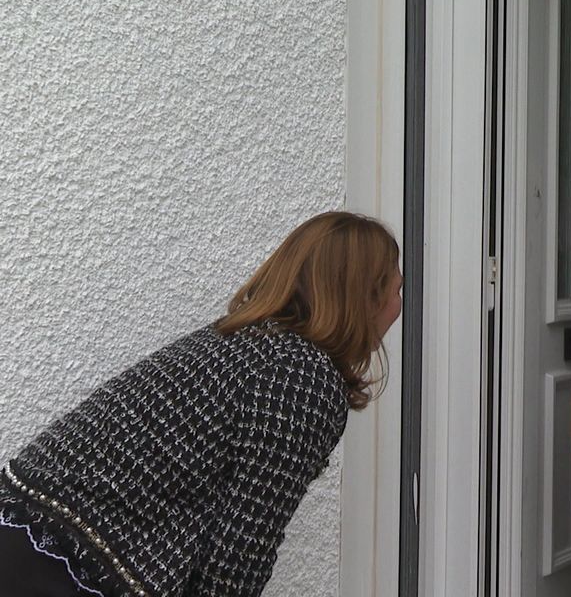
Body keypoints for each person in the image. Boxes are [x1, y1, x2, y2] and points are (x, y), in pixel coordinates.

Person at [0, 211, 402, 596]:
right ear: (363, 296)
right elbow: (240, 549)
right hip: (62, 562)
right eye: (396, 290)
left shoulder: (240, 342)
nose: (398, 306)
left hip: (24, 527)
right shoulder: (303, 378)